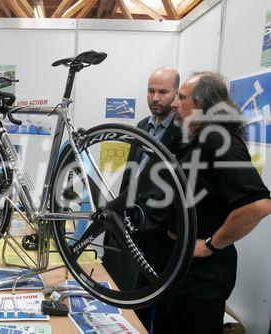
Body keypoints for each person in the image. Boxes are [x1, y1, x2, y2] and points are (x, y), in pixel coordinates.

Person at [153, 72, 271, 333]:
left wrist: (210, 245)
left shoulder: (219, 140)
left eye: (181, 98)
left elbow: (258, 205)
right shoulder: (195, 137)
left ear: (203, 105)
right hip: (181, 262)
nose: (173, 103)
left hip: (203, 274)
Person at [101, 67, 181, 329]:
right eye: (151, 91)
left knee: (147, 302)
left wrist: (152, 222)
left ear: (176, 94)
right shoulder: (141, 126)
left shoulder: (183, 134)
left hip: (158, 235)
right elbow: (129, 176)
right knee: (120, 293)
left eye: (163, 92)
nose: (155, 97)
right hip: (128, 224)